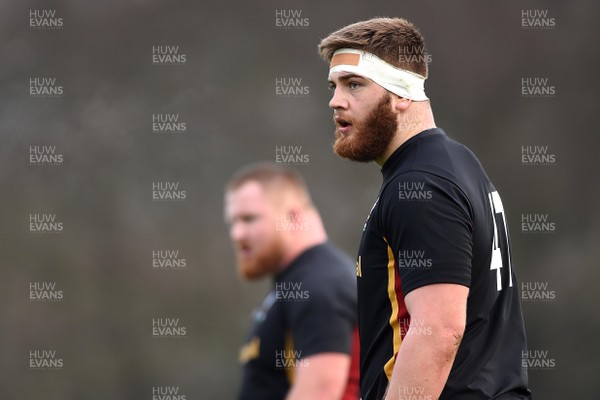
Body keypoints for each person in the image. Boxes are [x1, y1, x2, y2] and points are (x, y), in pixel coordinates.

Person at [318, 17, 532, 400]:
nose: (335, 100)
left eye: (354, 84)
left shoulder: (420, 185)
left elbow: (440, 332)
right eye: (334, 86)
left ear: (402, 93)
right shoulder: (455, 162)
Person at [224, 162, 360, 400]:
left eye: (248, 219)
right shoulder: (298, 282)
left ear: (294, 217)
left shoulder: (320, 283)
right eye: (232, 222)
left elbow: (322, 391)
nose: (237, 234)